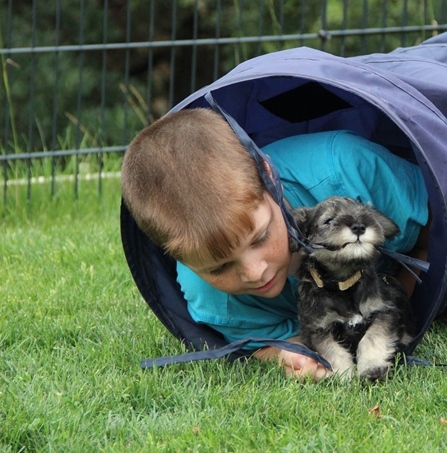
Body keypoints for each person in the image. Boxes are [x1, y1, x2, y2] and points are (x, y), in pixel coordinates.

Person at [120, 107, 430, 381]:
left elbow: (444, 226)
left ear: (269, 177)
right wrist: (285, 353)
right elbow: (277, 343)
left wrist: (401, 304)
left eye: (260, 237)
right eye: (220, 267)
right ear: (179, 260)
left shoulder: (348, 171)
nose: (255, 272)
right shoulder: (215, 305)